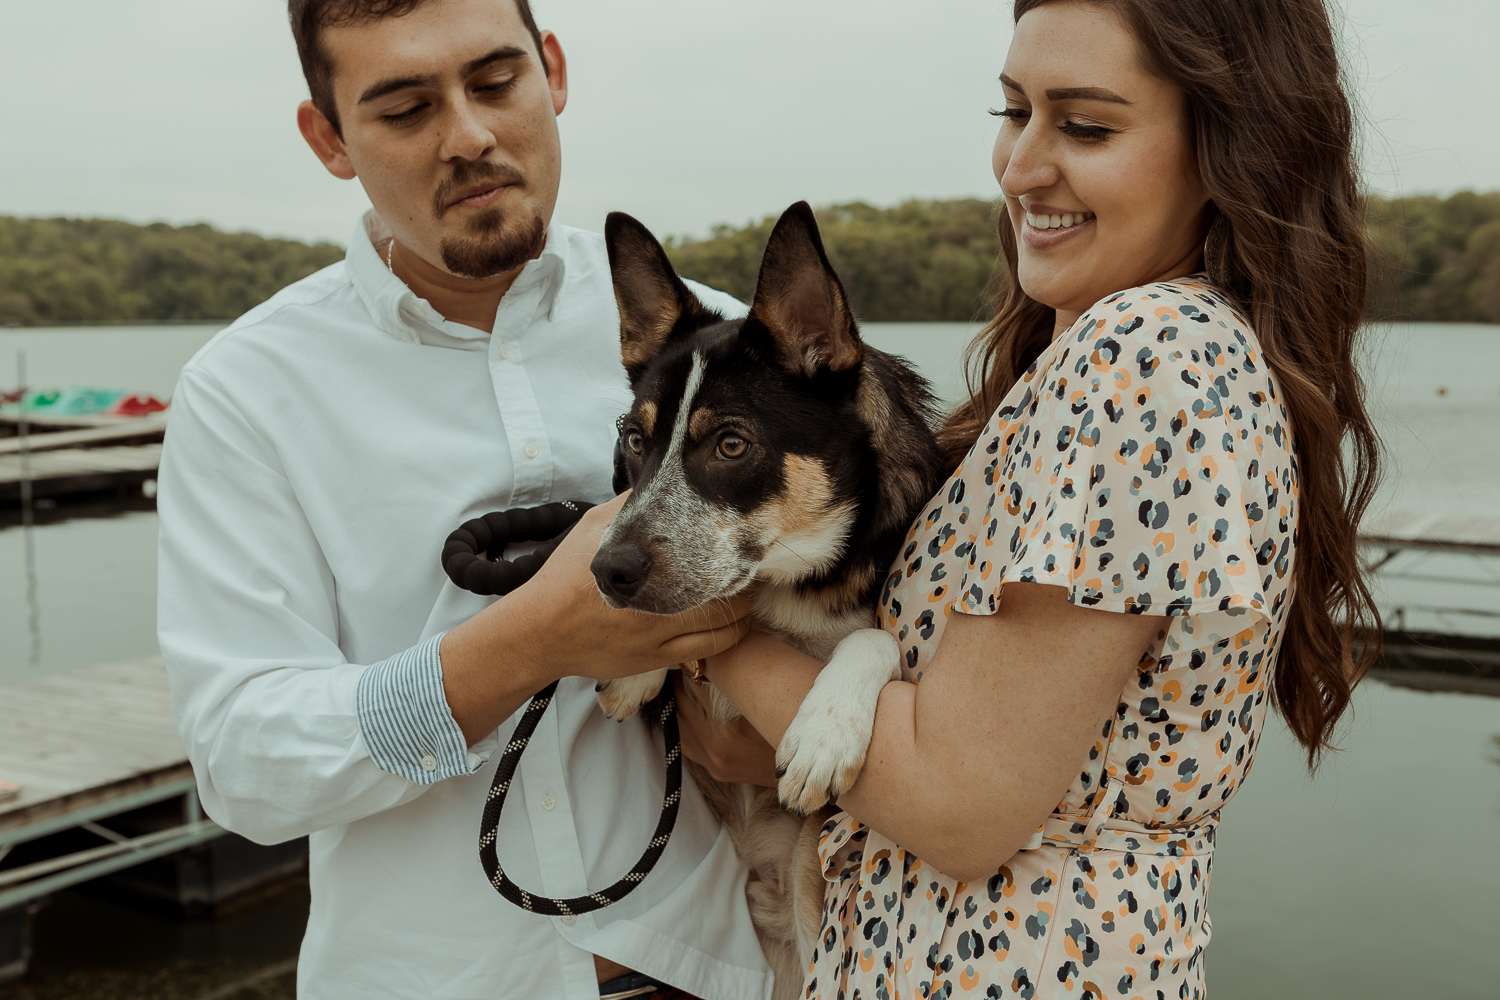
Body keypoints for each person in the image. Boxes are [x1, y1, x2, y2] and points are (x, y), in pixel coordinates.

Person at [682, 1, 1383, 997]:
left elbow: (959, 805)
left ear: (1229, 148)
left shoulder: (1143, 354)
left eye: (1086, 126)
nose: (1019, 166)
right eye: (1014, 112)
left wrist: (704, 618)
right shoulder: (1160, 351)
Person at [156, 2, 772, 998]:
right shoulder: (244, 393)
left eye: (496, 82)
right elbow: (244, 760)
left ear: (554, 71)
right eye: (404, 109)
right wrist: (530, 640)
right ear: (328, 139)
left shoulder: (729, 351)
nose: (471, 136)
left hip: (715, 963)